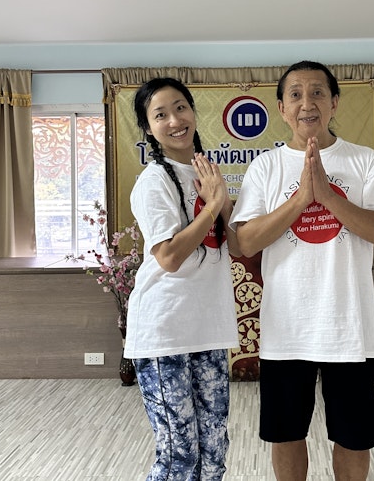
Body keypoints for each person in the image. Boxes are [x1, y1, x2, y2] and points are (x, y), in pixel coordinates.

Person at [229, 60, 374, 481]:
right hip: (286, 330)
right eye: (295, 94)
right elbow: (245, 242)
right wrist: (300, 199)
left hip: (349, 329)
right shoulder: (265, 167)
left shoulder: (365, 161)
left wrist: (327, 197)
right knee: (286, 434)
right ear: (282, 108)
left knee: (354, 437)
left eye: (318, 93)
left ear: (334, 103)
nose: (307, 103)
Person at [124, 77, 240, 481]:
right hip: (165, 333)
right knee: (179, 455)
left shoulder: (207, 172)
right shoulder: (153, 181)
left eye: (180, 108)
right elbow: (170, 257)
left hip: (209, 330)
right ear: (148, 127)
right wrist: (212, 205)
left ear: (192, 111)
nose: (174, 120)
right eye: (160, 115)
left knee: (214, 451)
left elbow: (237, 243)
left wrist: (221, 200)